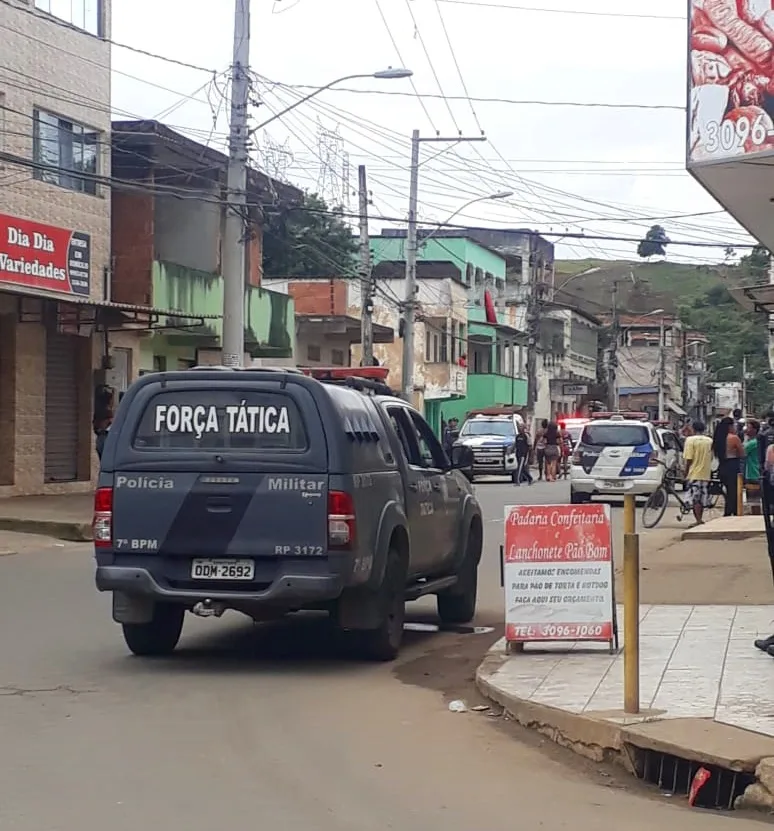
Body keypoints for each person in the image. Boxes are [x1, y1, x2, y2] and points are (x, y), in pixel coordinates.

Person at [712, 415, 745, 517]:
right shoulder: (734, 438)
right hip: (732, 465)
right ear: (730, 426)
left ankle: (728, 510)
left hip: (722, 466)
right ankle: (733, 511)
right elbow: (742, 453)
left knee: (728, 490)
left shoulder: (718, 438)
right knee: (734, 490)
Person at [683, 420, 714, 525]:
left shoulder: (690, 440)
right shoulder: (709, 441)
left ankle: (698, 520)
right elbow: (711, 457)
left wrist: (686, 472)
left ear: (693, 429)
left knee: (696, 498)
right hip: (705, 473)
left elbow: (689, 459)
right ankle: (699, 519)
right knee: (701, 497)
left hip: (694, 473)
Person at [743, 419, 762, 511]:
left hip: (753, 473)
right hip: (755, 472)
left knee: (753, 501)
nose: (746, 430)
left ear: (755, 430)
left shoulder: (752, 443)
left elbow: (742, 452)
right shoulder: (756, 441)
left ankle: (755, 515)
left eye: (749, 427)